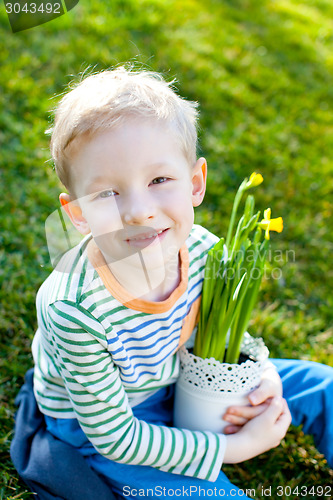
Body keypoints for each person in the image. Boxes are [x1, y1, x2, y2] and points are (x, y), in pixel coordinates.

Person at [11, 67, 333, 499]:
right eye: (108, 193)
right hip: (109, 428)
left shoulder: (203, 249)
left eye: (159, 180)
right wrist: (231, 448)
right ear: (78, 214)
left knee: (323, 387)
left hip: (185, 380)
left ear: (196, 183)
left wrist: (264, 375)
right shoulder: (73, 309)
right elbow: (117, 437)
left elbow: (227, 328)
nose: (140, 211)